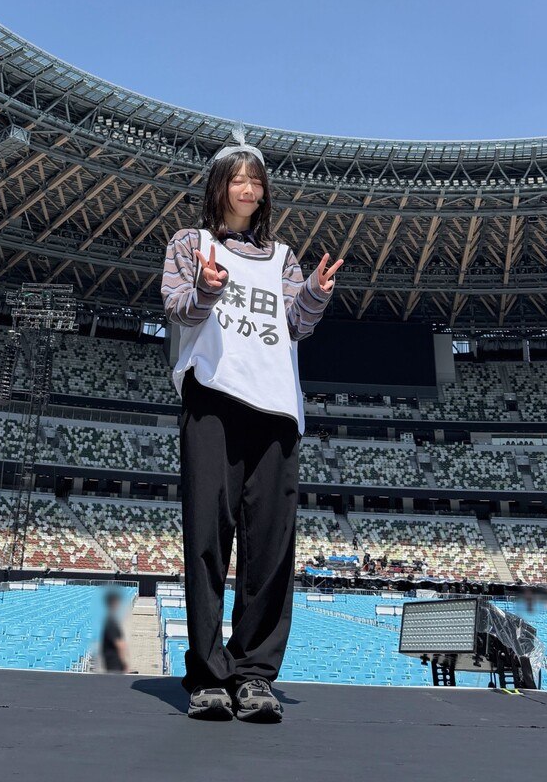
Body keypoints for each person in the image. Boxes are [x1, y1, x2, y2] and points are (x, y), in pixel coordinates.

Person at [162, 127, 342, 723]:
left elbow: (296, 325)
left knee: (270, 547)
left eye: (255, 180)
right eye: (236, 178)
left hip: (275, 408)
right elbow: (177, 308)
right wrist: (206, 288)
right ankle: (208, 675)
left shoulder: (283, 257)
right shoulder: (189, 243)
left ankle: (255, 674)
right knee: (207, 540)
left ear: (264, 193)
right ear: (218, 186)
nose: (247, 188)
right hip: (213, 399)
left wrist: (314, 292)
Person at [100, 590, 130, 673]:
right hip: (114, 662)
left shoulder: (109, 620)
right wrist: (124, 662)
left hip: (111, 660)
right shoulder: (111, 622)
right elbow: (119, 645)